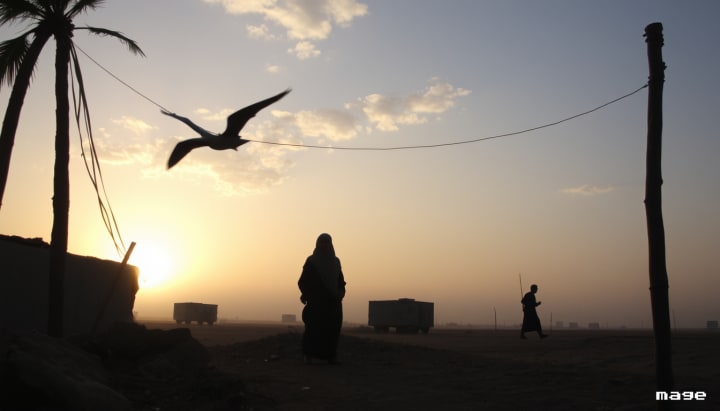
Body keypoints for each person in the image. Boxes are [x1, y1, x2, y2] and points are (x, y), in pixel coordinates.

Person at [298, 233, 346, 364]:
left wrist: (340, 293)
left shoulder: (336, 262)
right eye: (322, 242)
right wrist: (307, 294)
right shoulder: (311, 261)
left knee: (332, 330)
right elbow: (303, 281)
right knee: (313, 329)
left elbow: (340, 281)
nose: (324, 245)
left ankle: (331, 357)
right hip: (316, 303)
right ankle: (308, 356)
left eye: (327, 242)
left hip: (333, 303)